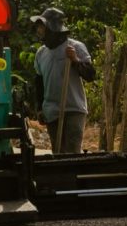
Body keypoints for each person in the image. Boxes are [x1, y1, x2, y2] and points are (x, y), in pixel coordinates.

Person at [31, 8, 95, 154]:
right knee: (58, 152)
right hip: (52, 111)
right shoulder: (41, 54)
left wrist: (75, 60)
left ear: (52, 29)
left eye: (43, 29)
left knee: (72, 151)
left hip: (73, 109)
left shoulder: (75, 47)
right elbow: (39, 84)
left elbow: (90, 75)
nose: (40, 32)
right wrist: (40, 109)